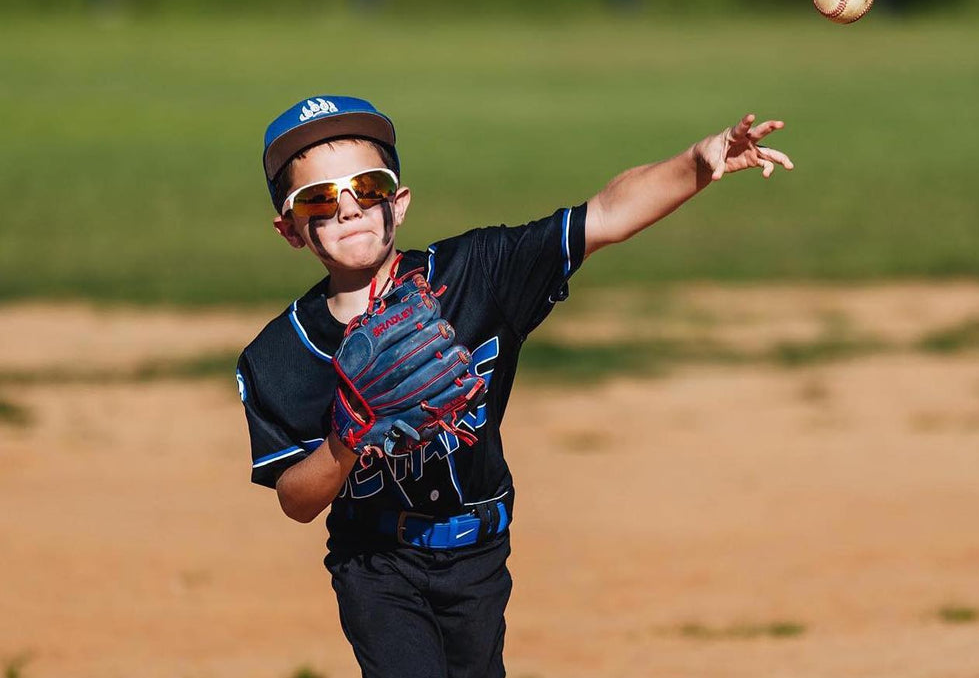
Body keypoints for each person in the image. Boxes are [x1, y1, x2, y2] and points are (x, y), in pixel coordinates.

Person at [236, 95, 793, 678]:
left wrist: (697, 165)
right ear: (290, 228)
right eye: (320, 198)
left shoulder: (480, 274)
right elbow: (296, 501)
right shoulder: (281, 355)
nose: (349, 209)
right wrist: (345, 438)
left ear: (397, 203)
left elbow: (601, 216)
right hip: (376, 566)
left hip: (479, 557)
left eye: (368, 186)